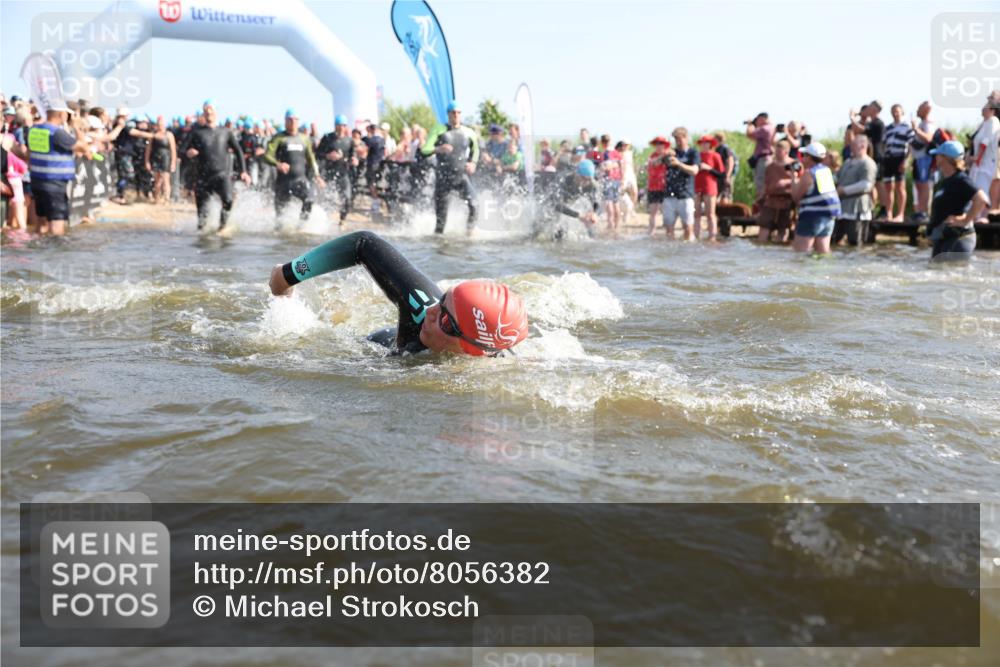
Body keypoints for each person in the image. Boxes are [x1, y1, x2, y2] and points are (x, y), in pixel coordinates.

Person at [268, 231, 528, 356]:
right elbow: (364, 243)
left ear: (474, 350)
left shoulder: (498, 368)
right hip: (379, 346)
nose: (432, 311)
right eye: (443, 299)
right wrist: (287, 276)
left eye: (446, 321)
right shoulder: (423, 309)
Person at [180, 101, 250, 231]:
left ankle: (222, 228)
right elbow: (181, 151)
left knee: (228, 201)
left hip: (222, 175)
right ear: (203, 113)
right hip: (203, 178)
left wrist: (243, 171)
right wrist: (188, 153)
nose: (209, 112)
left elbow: (239, 151)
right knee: (202, 220)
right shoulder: (196, 133)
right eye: (206, 110)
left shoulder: (225, 132)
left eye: (211, 110)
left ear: (216, 112)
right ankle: (203, 241)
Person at [25, 105, 94, 236]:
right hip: (54, 184)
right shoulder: (57, 133)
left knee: (42, 222)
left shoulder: (34, 130)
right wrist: (77, 128)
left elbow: (28, 154)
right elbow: (84, 148)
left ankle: (39, 252)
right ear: (62, 114)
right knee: (56, 224)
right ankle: (56, 254)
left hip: (37, 181)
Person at [422, 100, 479, 234]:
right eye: (453, 113)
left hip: (461, 177)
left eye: (458, 113)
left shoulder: (468, 132)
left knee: (474, 205)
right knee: (441, 220)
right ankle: (438, 246)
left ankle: (469, 233)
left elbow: (476, 149)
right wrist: (438, 149)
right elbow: (425, 149)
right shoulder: (439, 129)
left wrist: (473, 163)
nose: (456, 115)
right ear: (448, 114)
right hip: (443, 177)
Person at [926, 140, 986, 261]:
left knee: (949, 276)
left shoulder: (960, 179)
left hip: (958, 238)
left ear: (946, 158)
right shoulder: (945, 181)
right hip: (944, 237)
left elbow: (981, 199)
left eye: (938, 154)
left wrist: (966, 220)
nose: (936, 157)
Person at [263, 109, 323, 226]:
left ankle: (301, 227)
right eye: (290, 120)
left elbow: (311, 159)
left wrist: (317, 175)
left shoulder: (304, 139)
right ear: (285, 121)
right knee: (280, 217)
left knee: (309, 200)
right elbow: (267, 156)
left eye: (295, 120)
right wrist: (278, 164)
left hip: (300, 179)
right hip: (283, 182)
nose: (293, 122)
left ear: (298, 121)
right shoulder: (279, 138)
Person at [790, 142, 841, 254]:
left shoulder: (809, 173)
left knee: (800, 253)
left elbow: (796, 197)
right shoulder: (825, 171)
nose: (802, 158)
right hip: (829, 217)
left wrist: (793, 178)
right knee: (823, 252)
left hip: (812, 217)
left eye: (804, 155)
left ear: (809, 157)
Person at [833, 135, 878, 246]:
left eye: (854, 145)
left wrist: (844, 190)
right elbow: (838, 178)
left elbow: (866, 185)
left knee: (855, 242)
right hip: (843, 208)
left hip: (858, 208)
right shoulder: (848, 162)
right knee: (834, 240)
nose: (851, 147)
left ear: (863, 145)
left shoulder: (868, 163)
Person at [317, 114, 356, 225]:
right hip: (329, 173)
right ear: (335, 126)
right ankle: (325, 221)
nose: (341, 128)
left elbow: (352, 158)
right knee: (327, 199)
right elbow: (317, 154)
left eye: (343, 125)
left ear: (346, 127)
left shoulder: (349, 141)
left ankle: (342, 221)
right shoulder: (327, 138)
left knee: (347, 199)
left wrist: (352, 160)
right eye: (339, 125)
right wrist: (327, 156)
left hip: (343, 174)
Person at [663, 127, 700, 241]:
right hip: (670, 195)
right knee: (669, 229)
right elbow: (654, 164)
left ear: (686, 138)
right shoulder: (672, 152)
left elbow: (694, 170)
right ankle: (671, 252)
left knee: (688, 228)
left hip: (686, 195)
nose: (677, 142)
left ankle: (688, 253)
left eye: (679, 139)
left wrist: (679, 163)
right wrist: (663, 156)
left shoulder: (693, 153)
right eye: (675, 139)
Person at [547, 158, 600, 239]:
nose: (584, 182)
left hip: (567, 206)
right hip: (549, 205)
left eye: (588, 179)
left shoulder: (591, 184)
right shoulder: (564, 180)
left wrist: (594, 213)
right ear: (576, 174)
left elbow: (596, 201)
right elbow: (557, 205)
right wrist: (579, 216)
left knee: (589, 231)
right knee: (542, 230)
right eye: (582, 178)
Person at [878, 104, 913, 222]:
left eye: (897, 111)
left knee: (900, 187)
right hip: (889, 158)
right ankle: (889, 213)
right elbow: (883, 143)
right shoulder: (888, 128)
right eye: (893, 111)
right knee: (888, 186)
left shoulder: (907, 127)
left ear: (902, 112)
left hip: (900, 157)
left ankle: (900, 214)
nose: (895, 113)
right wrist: (883, 156)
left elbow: (911, 146)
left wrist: (906, 161)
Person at [756, 139, 794, 244]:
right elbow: (766, 184)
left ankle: (780, 251)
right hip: (771, 200)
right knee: (764, 225)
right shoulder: (770, 167)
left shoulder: (794, 165)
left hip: (786, 200)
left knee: (783, 227)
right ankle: (761, 248)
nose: (777, 154)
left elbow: (801, 180)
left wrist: (786, 182)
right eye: (776, 151)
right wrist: (761, 197)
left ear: (786, 152)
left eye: (779, 151)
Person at [969, 103, 999, 215]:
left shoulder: (993, 121)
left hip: (985, 163)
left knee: (982, 189)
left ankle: (983, 217)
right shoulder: (983, 123)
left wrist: (978, 157)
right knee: (976, 189)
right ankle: (975, 216)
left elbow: (985, 142)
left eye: (985, 107)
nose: (982, 109)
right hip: (978, 164)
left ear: (992, 110)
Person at [909, 101, 936, 222]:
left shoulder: (928, 124)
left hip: (925, 158)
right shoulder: (922, 123)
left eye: (919, 108)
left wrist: (916, 129)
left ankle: (924, 212)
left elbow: (929, 138)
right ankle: (920, 211)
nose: (917, 111)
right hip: (918, 159)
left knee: (925, 186)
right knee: (919, 185)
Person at [694, 135, 724, 241]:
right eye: (702, 143)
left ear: (711, 144)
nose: (704, 145)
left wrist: (709, 168)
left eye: (706, 142)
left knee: (710, 214)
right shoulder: (697, 155)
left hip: (710, 187)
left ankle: (712, 237)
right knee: (696, 213)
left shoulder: (715, 156)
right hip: (696, 186)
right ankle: (696, 236)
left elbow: (721, 174)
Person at [144, 115, 176, 204]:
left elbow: (173, 150)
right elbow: (148, 149)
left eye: (162, 124)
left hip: (166, 158)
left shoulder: (169, 135)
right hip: (155, 158)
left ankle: (166, 199)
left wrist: (173, 162)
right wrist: (147, 161)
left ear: (165, 124)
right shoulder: (153, 135)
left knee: (166, 179)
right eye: (159, 124)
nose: (160, 125)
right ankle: (157, 198)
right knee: (157, 180)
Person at [745, 112, 774, 208]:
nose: (756, 122)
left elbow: (749, 134)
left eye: (757, 119)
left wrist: (750, 124)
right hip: (766, 159)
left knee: (760, 185)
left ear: (762, 119)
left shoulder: (765, 128)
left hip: (763, 160)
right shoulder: (771, 128)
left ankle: (762, 210)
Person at [645, 136, 670, 233]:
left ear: (664, 145)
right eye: (657, 144)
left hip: (664, 186)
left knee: (666, 210)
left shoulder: (668, 156)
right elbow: (653, 163)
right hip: (653, 186)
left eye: (661, 144)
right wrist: (663, 156)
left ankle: (667, 230)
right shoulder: (653, 156)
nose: (658, 146)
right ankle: (652, 230)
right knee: (653, 211)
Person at [618, 140, 638, 224]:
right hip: (623, 174)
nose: (625, 146)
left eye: (626, 145)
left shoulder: (630, 153)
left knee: (634, 192)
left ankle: (632, 208)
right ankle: (622, 211)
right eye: (624, 145)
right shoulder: (618, 154)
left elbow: (631, 164)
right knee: (621, 192)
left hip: (630, 174)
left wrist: (634, 172)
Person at [713, 131, 736, 204]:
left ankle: (728, 213)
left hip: (725, 175)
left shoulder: (725, 148)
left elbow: (730, 161)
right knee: (719, 194)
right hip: (720, 175)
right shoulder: (717, 149)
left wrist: (727, 176)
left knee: (726, 194)